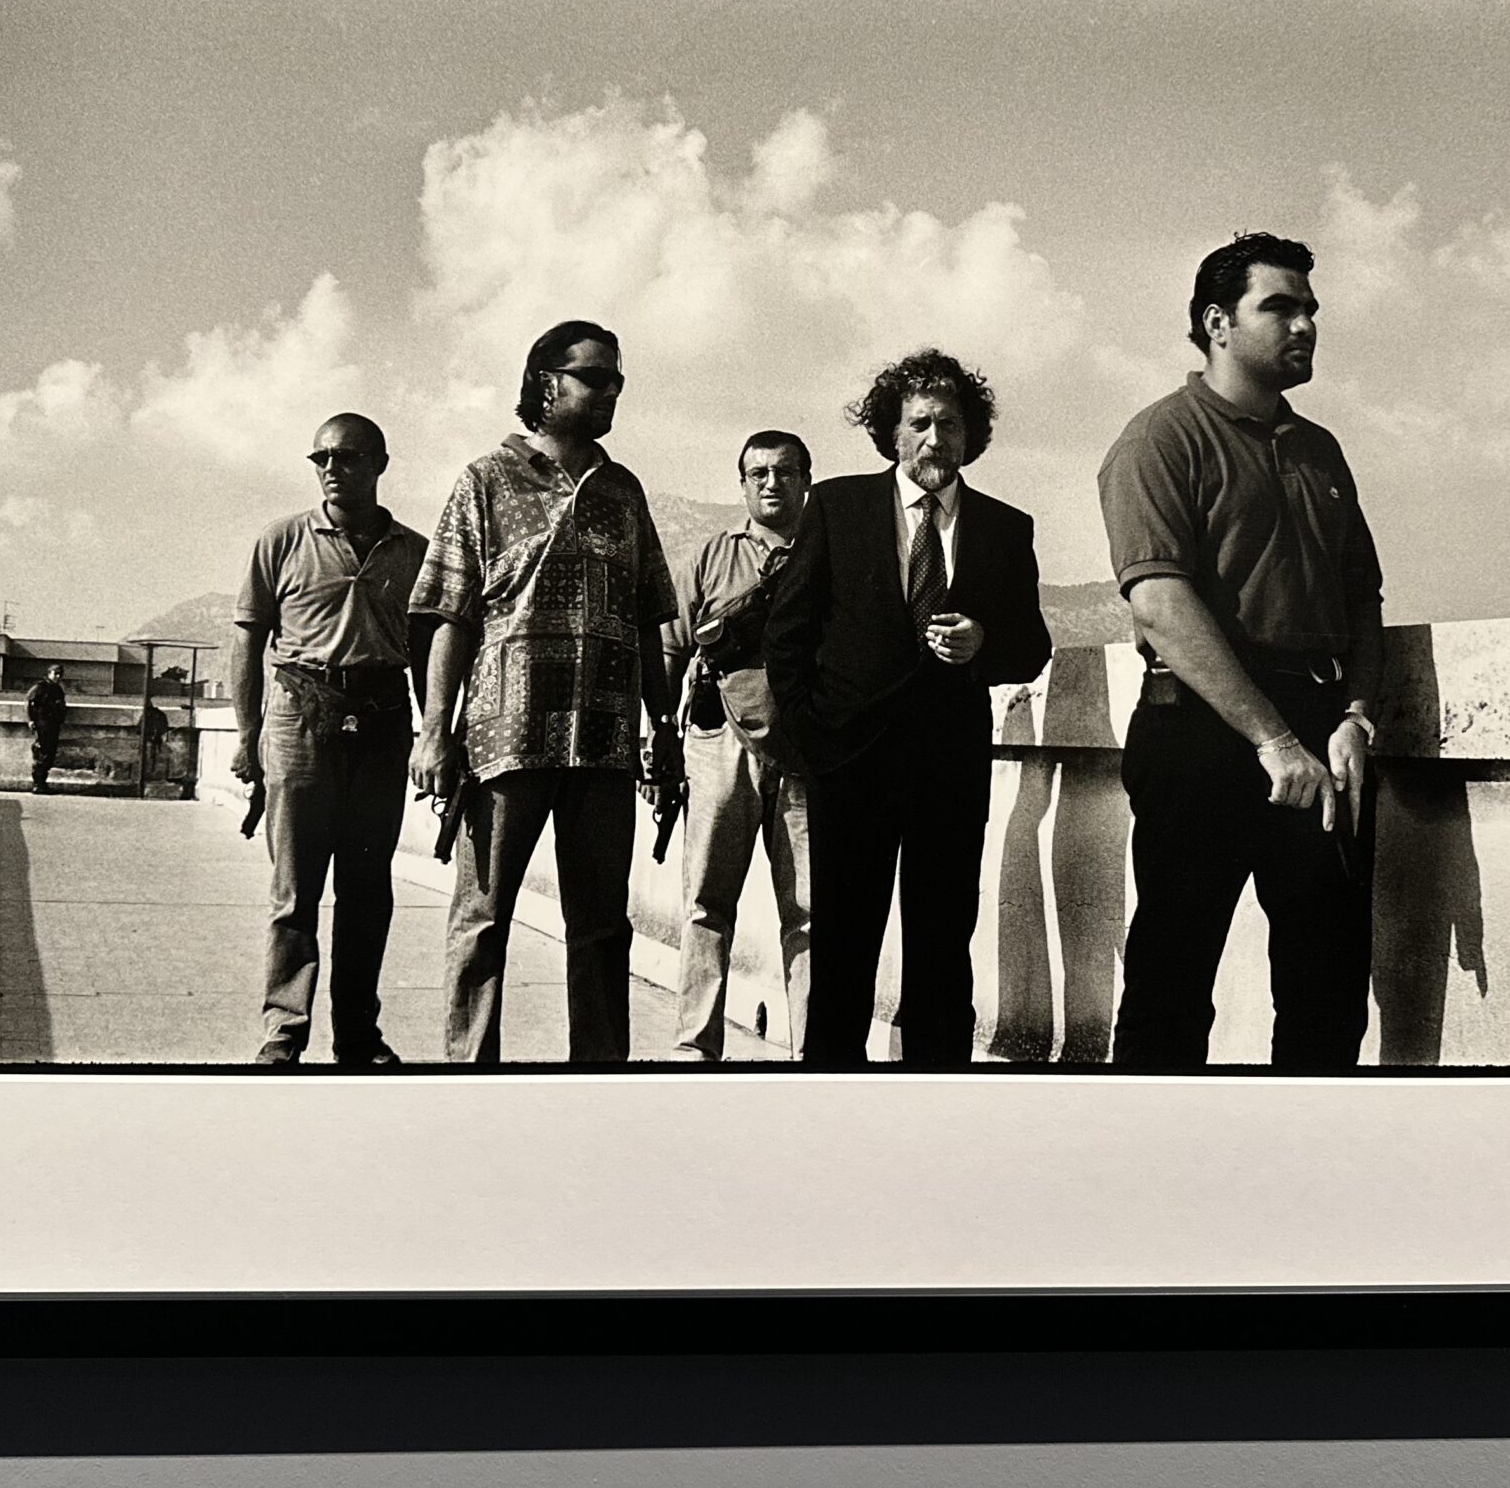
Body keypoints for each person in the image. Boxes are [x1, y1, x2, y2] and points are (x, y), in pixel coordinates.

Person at [1100, 232, 1385, 1071]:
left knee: (1328, 983)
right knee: (1172, 979)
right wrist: (1272, 740)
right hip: (1202, 730)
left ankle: (1297, 1174)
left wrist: (1357, 715)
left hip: (1319, 730)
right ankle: (1147, 1176)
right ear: (1218, 323)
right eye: (1281, 307)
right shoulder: (1159, 439)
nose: (1305, 325)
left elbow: (1361, 596)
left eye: (1311, 310)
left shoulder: (1320, 449)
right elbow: (1159, 600)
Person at [766, 349, 1052, 1067]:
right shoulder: (837, 505)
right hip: (848, 764)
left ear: (971, 436)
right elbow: (788, 633)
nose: (934, 438)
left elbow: (1031, 648)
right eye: (919, 423)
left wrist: (984, 641)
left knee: (941, 946)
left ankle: (937, 1099)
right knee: (843, 945)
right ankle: (830, 1092)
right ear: (891, 434)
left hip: (948, 773)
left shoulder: (1004, 527)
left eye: (949, 425)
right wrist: (809, 738)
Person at [411, 321, 681, 1064]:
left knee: (601, 926)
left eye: (617, 379)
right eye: (595, 377)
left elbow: (653, 617)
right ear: (544, 383)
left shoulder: (623, 492)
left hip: (603, 742)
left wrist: (665, 730)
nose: (611, 391)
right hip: (505, 739)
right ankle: (469, 1073)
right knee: (482, 918)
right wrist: (436, 729)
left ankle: (597, 1078)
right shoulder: (485, 481)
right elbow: (448, 615)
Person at [231, 412, 429, 1068]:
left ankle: (357, 1036)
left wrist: (436, 737)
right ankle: (284, 1032)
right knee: (294, 890)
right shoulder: (283, 540)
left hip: (381, 723)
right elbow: (248, 637)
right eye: (320, 458)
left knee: (369, 889)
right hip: (299, 717)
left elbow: (430, 652)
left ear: (379, 463)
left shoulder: (414, 552)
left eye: (346, 457)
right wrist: (246, 732)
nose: (331, 469)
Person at [661, 430, 816, 1060]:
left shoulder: (829, 555)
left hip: (806, 748)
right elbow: (673, 647)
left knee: (809, 911)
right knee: (705, 901)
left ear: (806, 479)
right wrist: (663, 737)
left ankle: (815, 1047)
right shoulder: (713, 556)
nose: (771, 484)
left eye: (784, 472)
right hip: (718, 740)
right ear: (742, 483)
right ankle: (695, 1043)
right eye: (757, 473)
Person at [24, 664, 67, 792]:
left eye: (60, 674)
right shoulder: (40, 687)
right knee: (42, 753)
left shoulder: (57, 689)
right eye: (55, 673)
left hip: (53, 725)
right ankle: (38, 784)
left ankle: (42, 783)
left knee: (50, 754)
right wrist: (30, 720)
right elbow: (27, 702)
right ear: (49, 673)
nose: (58, 676)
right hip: (42, 724)